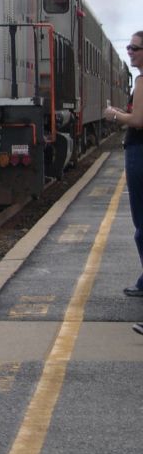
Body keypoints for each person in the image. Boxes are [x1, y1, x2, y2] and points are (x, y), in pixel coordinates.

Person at [104, 30, 143, 301]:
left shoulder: (142, 80)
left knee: (141, 222)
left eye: (135, 48)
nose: (129, 51)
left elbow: (139, 121)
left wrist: (114, 115)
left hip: (139, 152)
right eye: (128, 47)